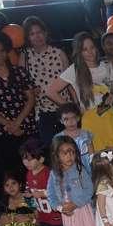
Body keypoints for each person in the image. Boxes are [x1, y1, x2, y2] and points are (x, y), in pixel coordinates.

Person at [48, 32, 113, 152]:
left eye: (92, 47)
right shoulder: (75, 69)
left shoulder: (106, 65)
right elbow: (51, 91)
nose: (90, 52)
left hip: (109, 116)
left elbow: (111, 89)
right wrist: (74, 110)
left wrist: (112, 96)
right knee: (95, 159)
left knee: (112, 158)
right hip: (90, 118)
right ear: (79, 52)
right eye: (85, 49)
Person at [0, 33, 37, 189]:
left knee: (32, 168)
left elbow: (31, 99)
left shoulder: (20, 72)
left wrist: (17, 123)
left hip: (25, 128)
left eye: (2, 51)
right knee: (10, 173)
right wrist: (8, 124)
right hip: (2, 132)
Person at [47, 136, 106, 226]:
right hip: (67, 214)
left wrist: (76, 204)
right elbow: (51, 194)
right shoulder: (54, 174)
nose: (69, 156)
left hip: (82, 210)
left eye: (72, 152)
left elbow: (89, 190)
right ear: (56, 155)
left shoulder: (80, 170)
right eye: (65, 153)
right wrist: (60, 208)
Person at [18, 16, 70, 145]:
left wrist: (74, 107)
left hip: (63, 107)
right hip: (42, 112)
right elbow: (22, 84)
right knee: (50, 148)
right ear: (27, 37)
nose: (37, 36)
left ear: (45, 33)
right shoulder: (25, 56)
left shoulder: (59, 53)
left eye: (39, 32)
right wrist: (31, 90)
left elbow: (70, 82)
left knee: (69, 147)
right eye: (32, 34)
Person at [20, 138, 62, 226]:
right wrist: (29, 197)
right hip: (41, 210)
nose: (26, 162)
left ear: (41, 159)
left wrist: (42, 193)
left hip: (53, 210)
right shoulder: (29, 174)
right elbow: (29, 189)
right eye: (24, 159)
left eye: (30, 159)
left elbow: (58, 190)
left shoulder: (48, 173)